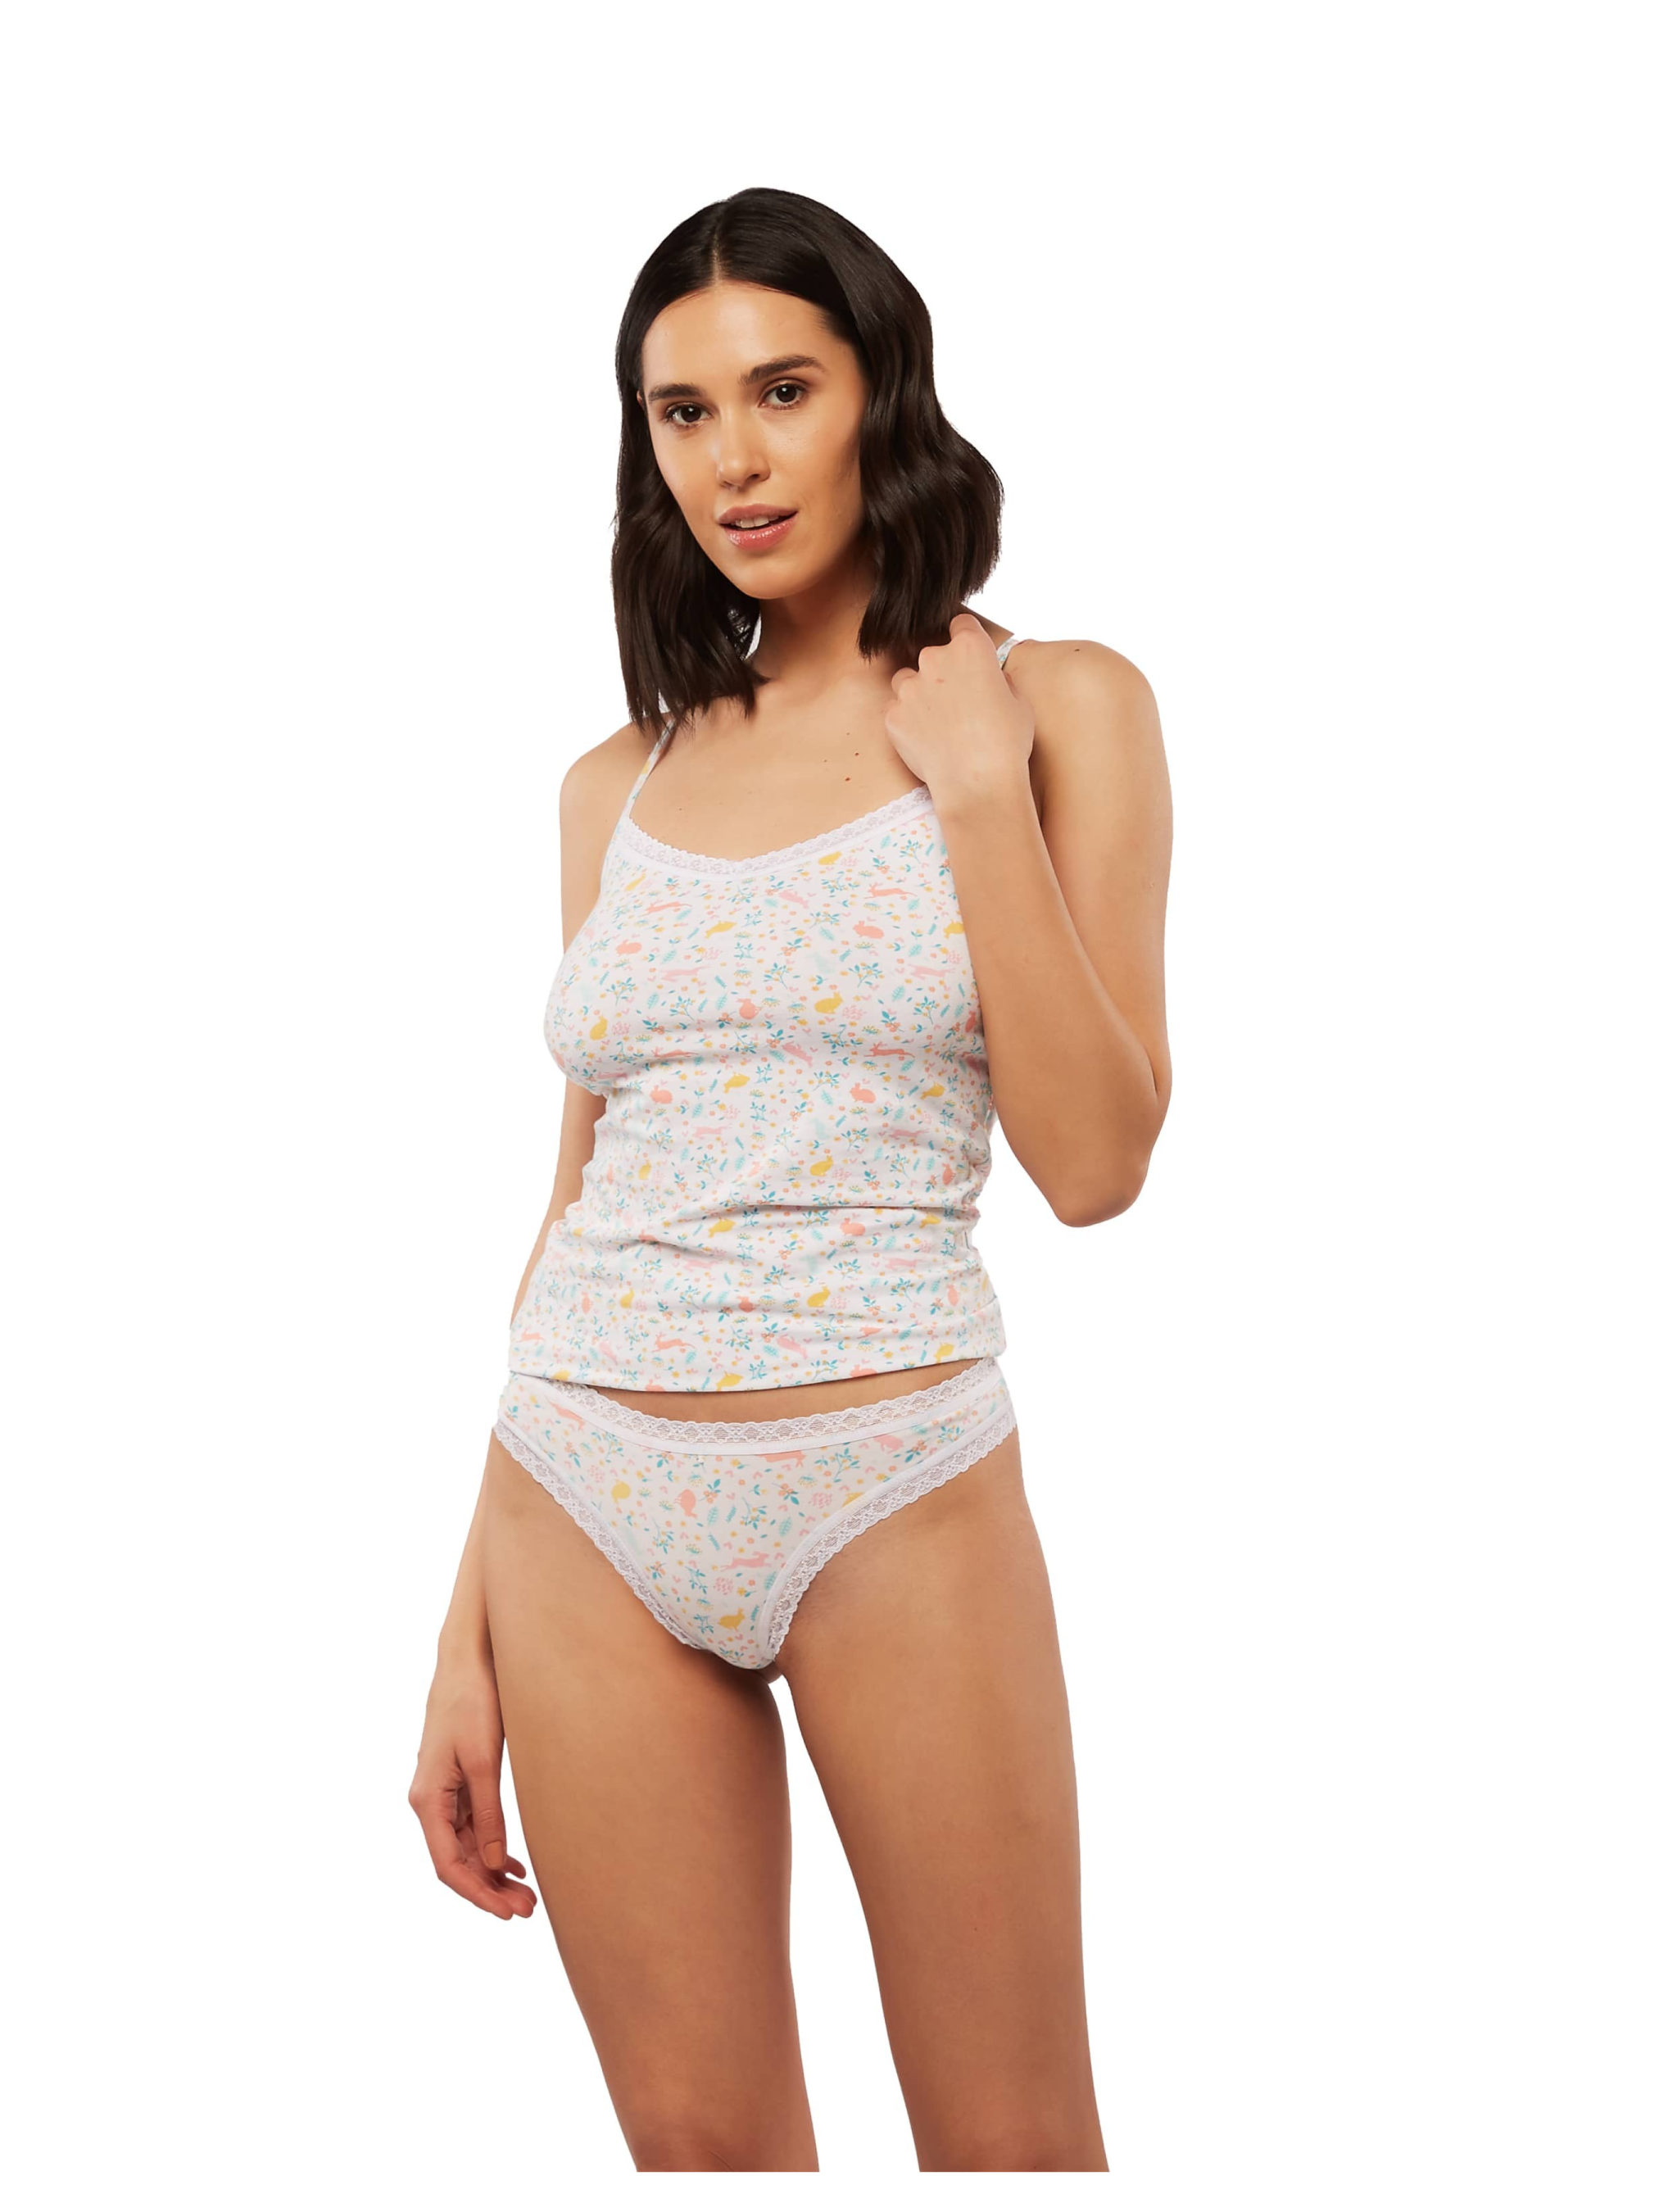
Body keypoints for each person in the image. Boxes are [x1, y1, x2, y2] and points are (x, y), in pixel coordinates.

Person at [410, 186, 1172, 2174]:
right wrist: (464, 1621)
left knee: (1011, 2146)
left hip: (886, 1476)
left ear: (878, 395)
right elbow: (578, 1197)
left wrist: (978, 789)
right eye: (680, 413)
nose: (731, 459)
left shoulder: (1063, 704)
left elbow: (1096, 1162)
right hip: (579, 1488)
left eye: (781, 390)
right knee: (698, 2156)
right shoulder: (621, 780)